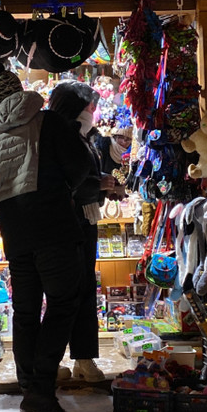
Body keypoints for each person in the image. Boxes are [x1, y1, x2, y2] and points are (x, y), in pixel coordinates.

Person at [0, 65, 94, 412]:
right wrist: (59, 190)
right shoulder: (49, 122)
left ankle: (30, 386)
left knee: (25, 311)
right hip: (55, 226)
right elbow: (81, 165)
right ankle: (42, 390)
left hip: (16, 233)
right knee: (62, 303)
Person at [48, 82, 125, 382]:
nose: (93, 112)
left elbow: (84, 179)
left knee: (82, 292)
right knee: (63, 294)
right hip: (65, 222)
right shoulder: (60, 138)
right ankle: (51, 362)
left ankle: (83, 358)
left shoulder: (87, 139)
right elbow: (63, 184)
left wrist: (106, 186)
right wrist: (98, 185)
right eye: (89, 106)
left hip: (85, 220)